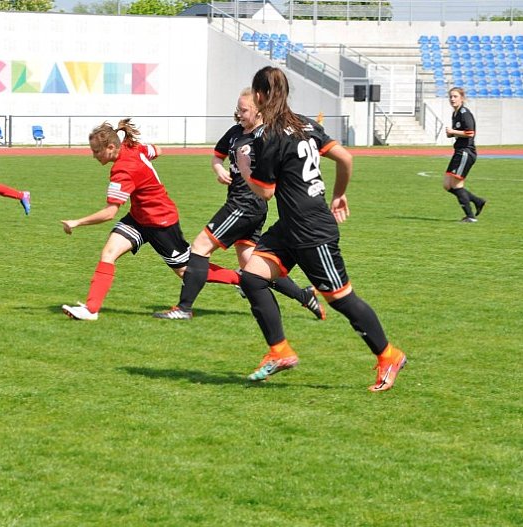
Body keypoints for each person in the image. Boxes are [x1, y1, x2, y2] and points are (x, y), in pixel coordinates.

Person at [235, 66, 406, 392]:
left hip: (312, 231)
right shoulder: (306, 124)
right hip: (290, 226)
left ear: (258, 96)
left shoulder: (270, 135)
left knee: (341, 299)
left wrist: (244, 167)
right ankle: (280, 351)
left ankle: (389, 355)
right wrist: (340, 193)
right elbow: (345, 158)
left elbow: (265, 191)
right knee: (252, 277)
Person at [153, 88, 324, 321]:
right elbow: (217, 156)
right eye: (238, 109)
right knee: (253, 266)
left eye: (244, 110)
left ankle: (184, 308)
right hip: (241, 203)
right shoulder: (235, 132)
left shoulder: (268, 137)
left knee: (200, 246)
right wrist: (219, 169)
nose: (239, 114)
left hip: (245, 204)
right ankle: (305, 296)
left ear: (259, 111)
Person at [60, 119, 240, 321]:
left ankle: (242, 279)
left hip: (161, 222)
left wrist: (77, 222)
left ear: (110, 147)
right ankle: (91, 309)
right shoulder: (133, 148)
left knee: (186, 271)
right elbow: (157, 150)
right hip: (138, 218)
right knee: (108, 253)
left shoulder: (122, 170)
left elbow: (110, 213)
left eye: (96, 151)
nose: (94, 156)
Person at [444, 87, 486, 223]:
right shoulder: (455, 113)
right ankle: (478, 201)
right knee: (447, 185)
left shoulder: (464, 113)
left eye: (455, 96)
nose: (452, 99)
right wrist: (452, 134)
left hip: (466, 152)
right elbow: (460, 132)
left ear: (462, 98)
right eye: (450, 96)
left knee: (456, 185)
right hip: (458, 151)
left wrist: (453, 132)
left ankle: (470, 216)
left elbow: (470, 133)